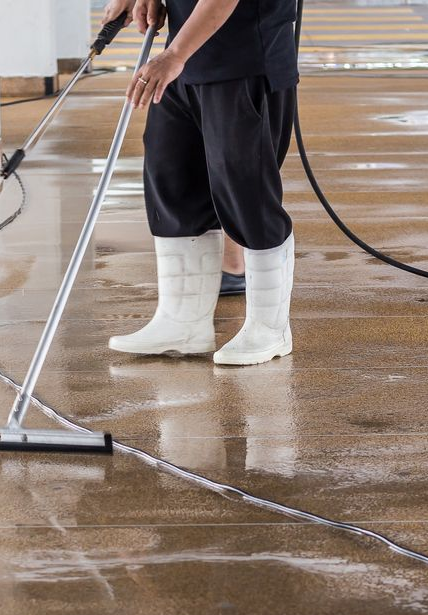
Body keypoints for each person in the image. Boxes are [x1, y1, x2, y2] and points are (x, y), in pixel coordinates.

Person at [102, 0, 297, 366]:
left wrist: (175, 54)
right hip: (187, 60)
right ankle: (182, 323)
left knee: (246, 193)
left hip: (243, 59)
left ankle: (270, 330)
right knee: (170, 179)